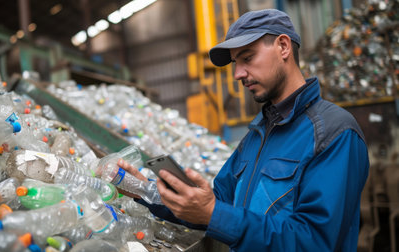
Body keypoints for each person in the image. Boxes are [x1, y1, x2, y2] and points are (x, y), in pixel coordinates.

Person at [117, 9, 369, 251]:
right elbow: (216, 205)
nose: (238, 74)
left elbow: (314, 242)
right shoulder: (257, 135)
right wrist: (146, 190)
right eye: (236, 62)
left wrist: (215, 214)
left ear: (283, 47)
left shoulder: (334, 134)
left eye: (247, 58)